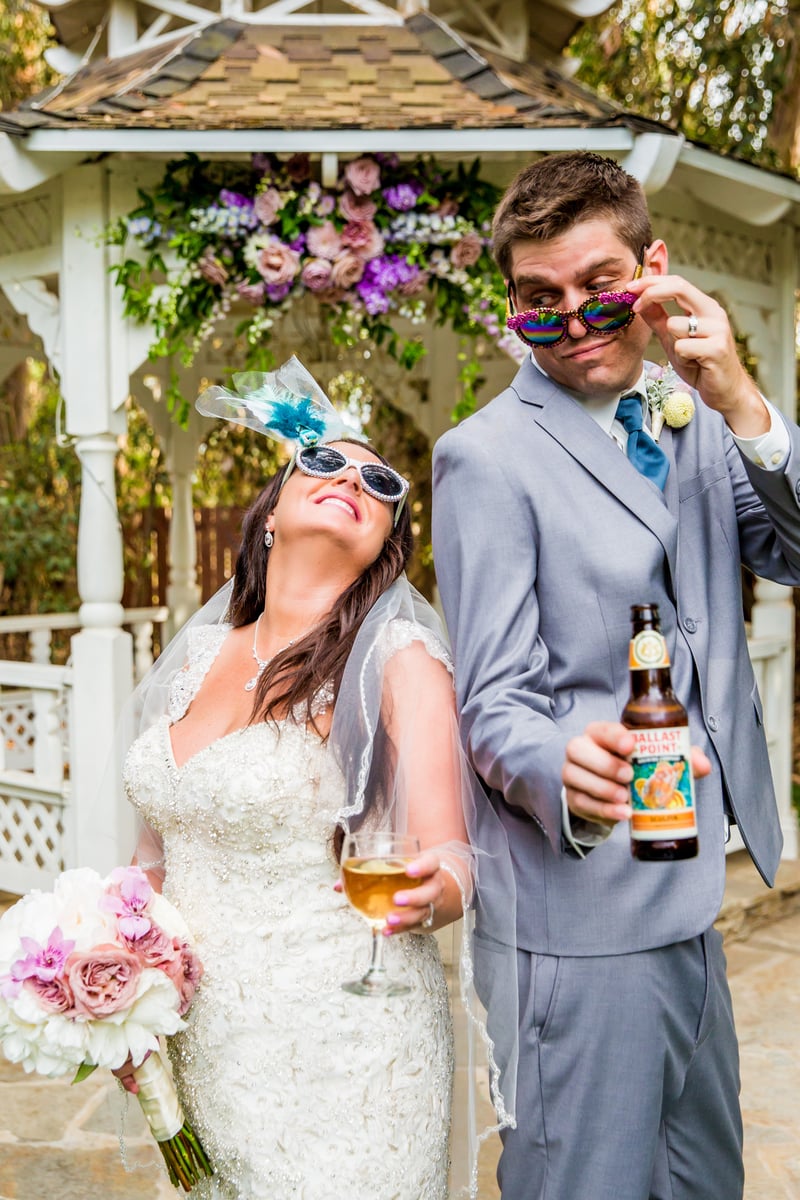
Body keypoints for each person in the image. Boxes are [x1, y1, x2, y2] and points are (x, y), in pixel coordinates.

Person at [431, 151, 800, 1200]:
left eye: (599, 287)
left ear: (653, 267)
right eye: (538, 300)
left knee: (701, 1183)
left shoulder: (698, 418)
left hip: (689, 893)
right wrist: (561, 764)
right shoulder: (484, 458)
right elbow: (492, 699)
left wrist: (740, 398)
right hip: (578, 912)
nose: (573, 321)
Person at [114, 358, 516, 1200]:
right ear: (271, 513)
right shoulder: (195, 656)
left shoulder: (401, 661)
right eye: (324, 461)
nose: (351, 480)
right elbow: (154, 860)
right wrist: (116, 970)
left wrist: (427, 895)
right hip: (206, 1042)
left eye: (380, 482)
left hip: (347, 1043)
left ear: (386, 546)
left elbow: (452, 857)